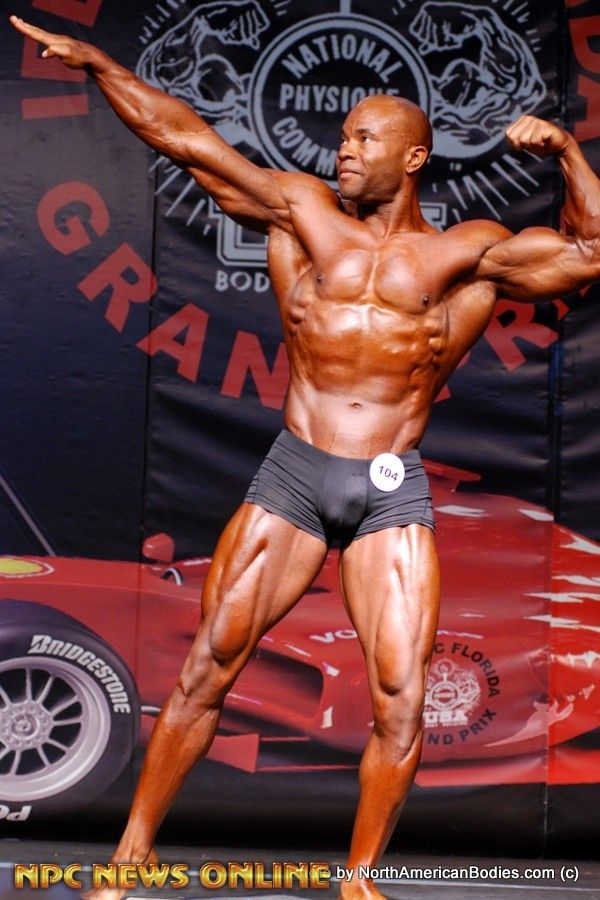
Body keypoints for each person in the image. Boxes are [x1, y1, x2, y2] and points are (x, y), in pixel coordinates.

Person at [9, 13, 600, 900]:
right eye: (343, 135)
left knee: (401, 697)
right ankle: (130, 857)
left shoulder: (466, 255)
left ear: (413, 157)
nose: (343, 149)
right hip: (296, 473)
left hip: (389, 490)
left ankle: (358, 881)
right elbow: (188, 140)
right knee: (208, 665)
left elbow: (591, 254)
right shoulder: (303, 212)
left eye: (364, 138)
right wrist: (98, 64)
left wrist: (566, 152)